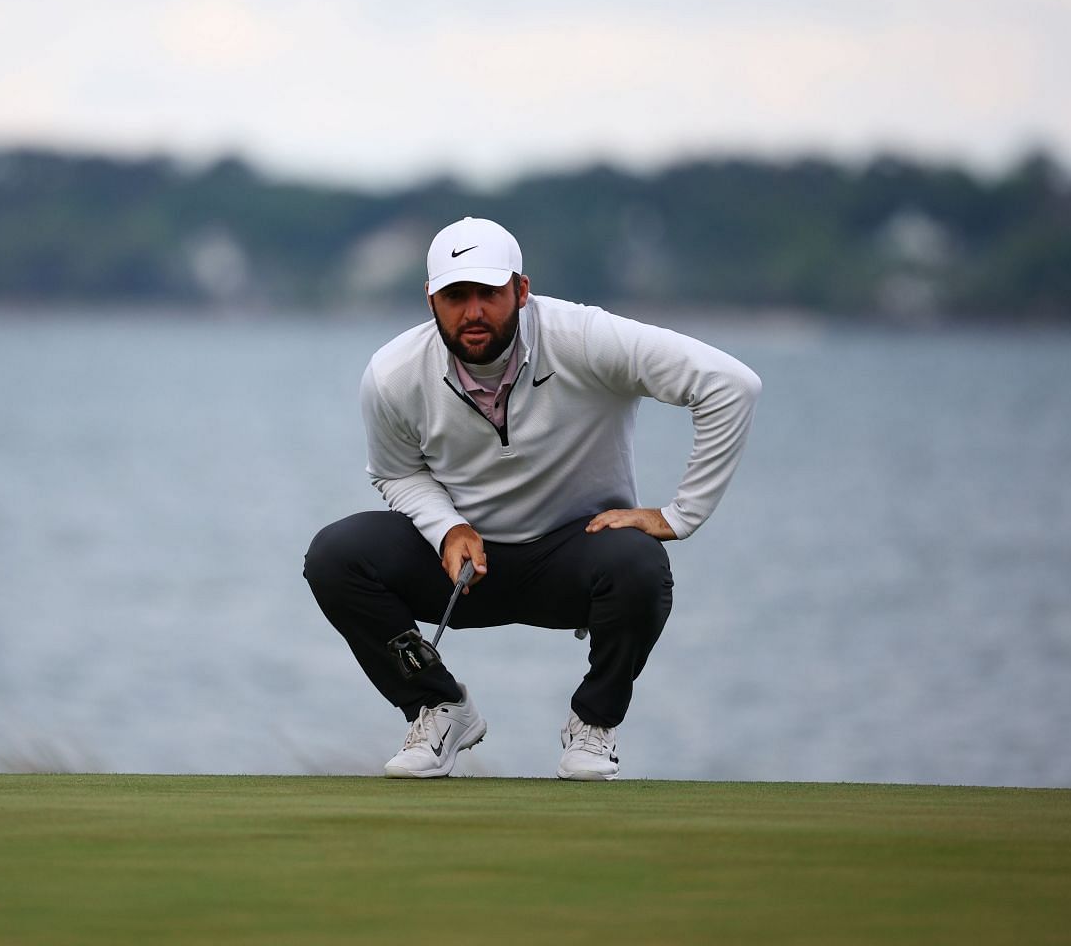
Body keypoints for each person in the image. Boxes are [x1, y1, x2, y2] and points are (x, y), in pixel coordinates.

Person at [303, 216, 761, 779]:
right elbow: (396, 474)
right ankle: (436, 707)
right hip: (464, 569)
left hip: (574, 558)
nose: (472, 311)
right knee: (335, 556)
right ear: (430, 300)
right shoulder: (393, 373)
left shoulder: (585, 337)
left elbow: (730, 386)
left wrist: (679, 516)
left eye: (489, 294)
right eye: (455, 296)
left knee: (640, 562)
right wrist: (447, 528)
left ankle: (593, 724)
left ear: (522, 290)